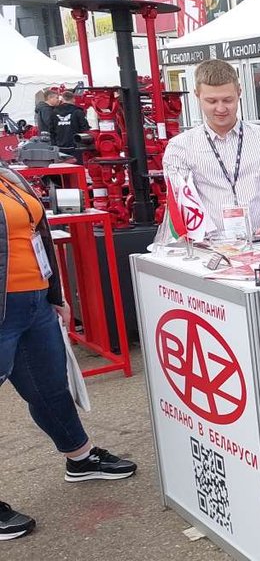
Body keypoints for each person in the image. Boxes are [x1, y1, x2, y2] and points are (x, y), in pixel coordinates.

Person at [0, 160, 137, 542]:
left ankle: (80, 457)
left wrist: (53, 295)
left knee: (49, 388)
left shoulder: (8, 175)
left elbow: (38, 237)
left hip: (33, 303)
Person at [161, 59, 260, 239]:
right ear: (197, 95)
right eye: (211, 101)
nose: (221, 108)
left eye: (228, 100)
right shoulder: (180, 147)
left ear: (239, 92)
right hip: (209, 246)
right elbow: (180, 201)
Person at [50, 92, 90, 163]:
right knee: (77, 167)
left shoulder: (54, 112)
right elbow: (85, 129)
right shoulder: (78, 112)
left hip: (59, 147)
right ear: (73, 99)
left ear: (62, 99)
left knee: (61, 167)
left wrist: (54, 144)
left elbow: (51, 130)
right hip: (75, 147)